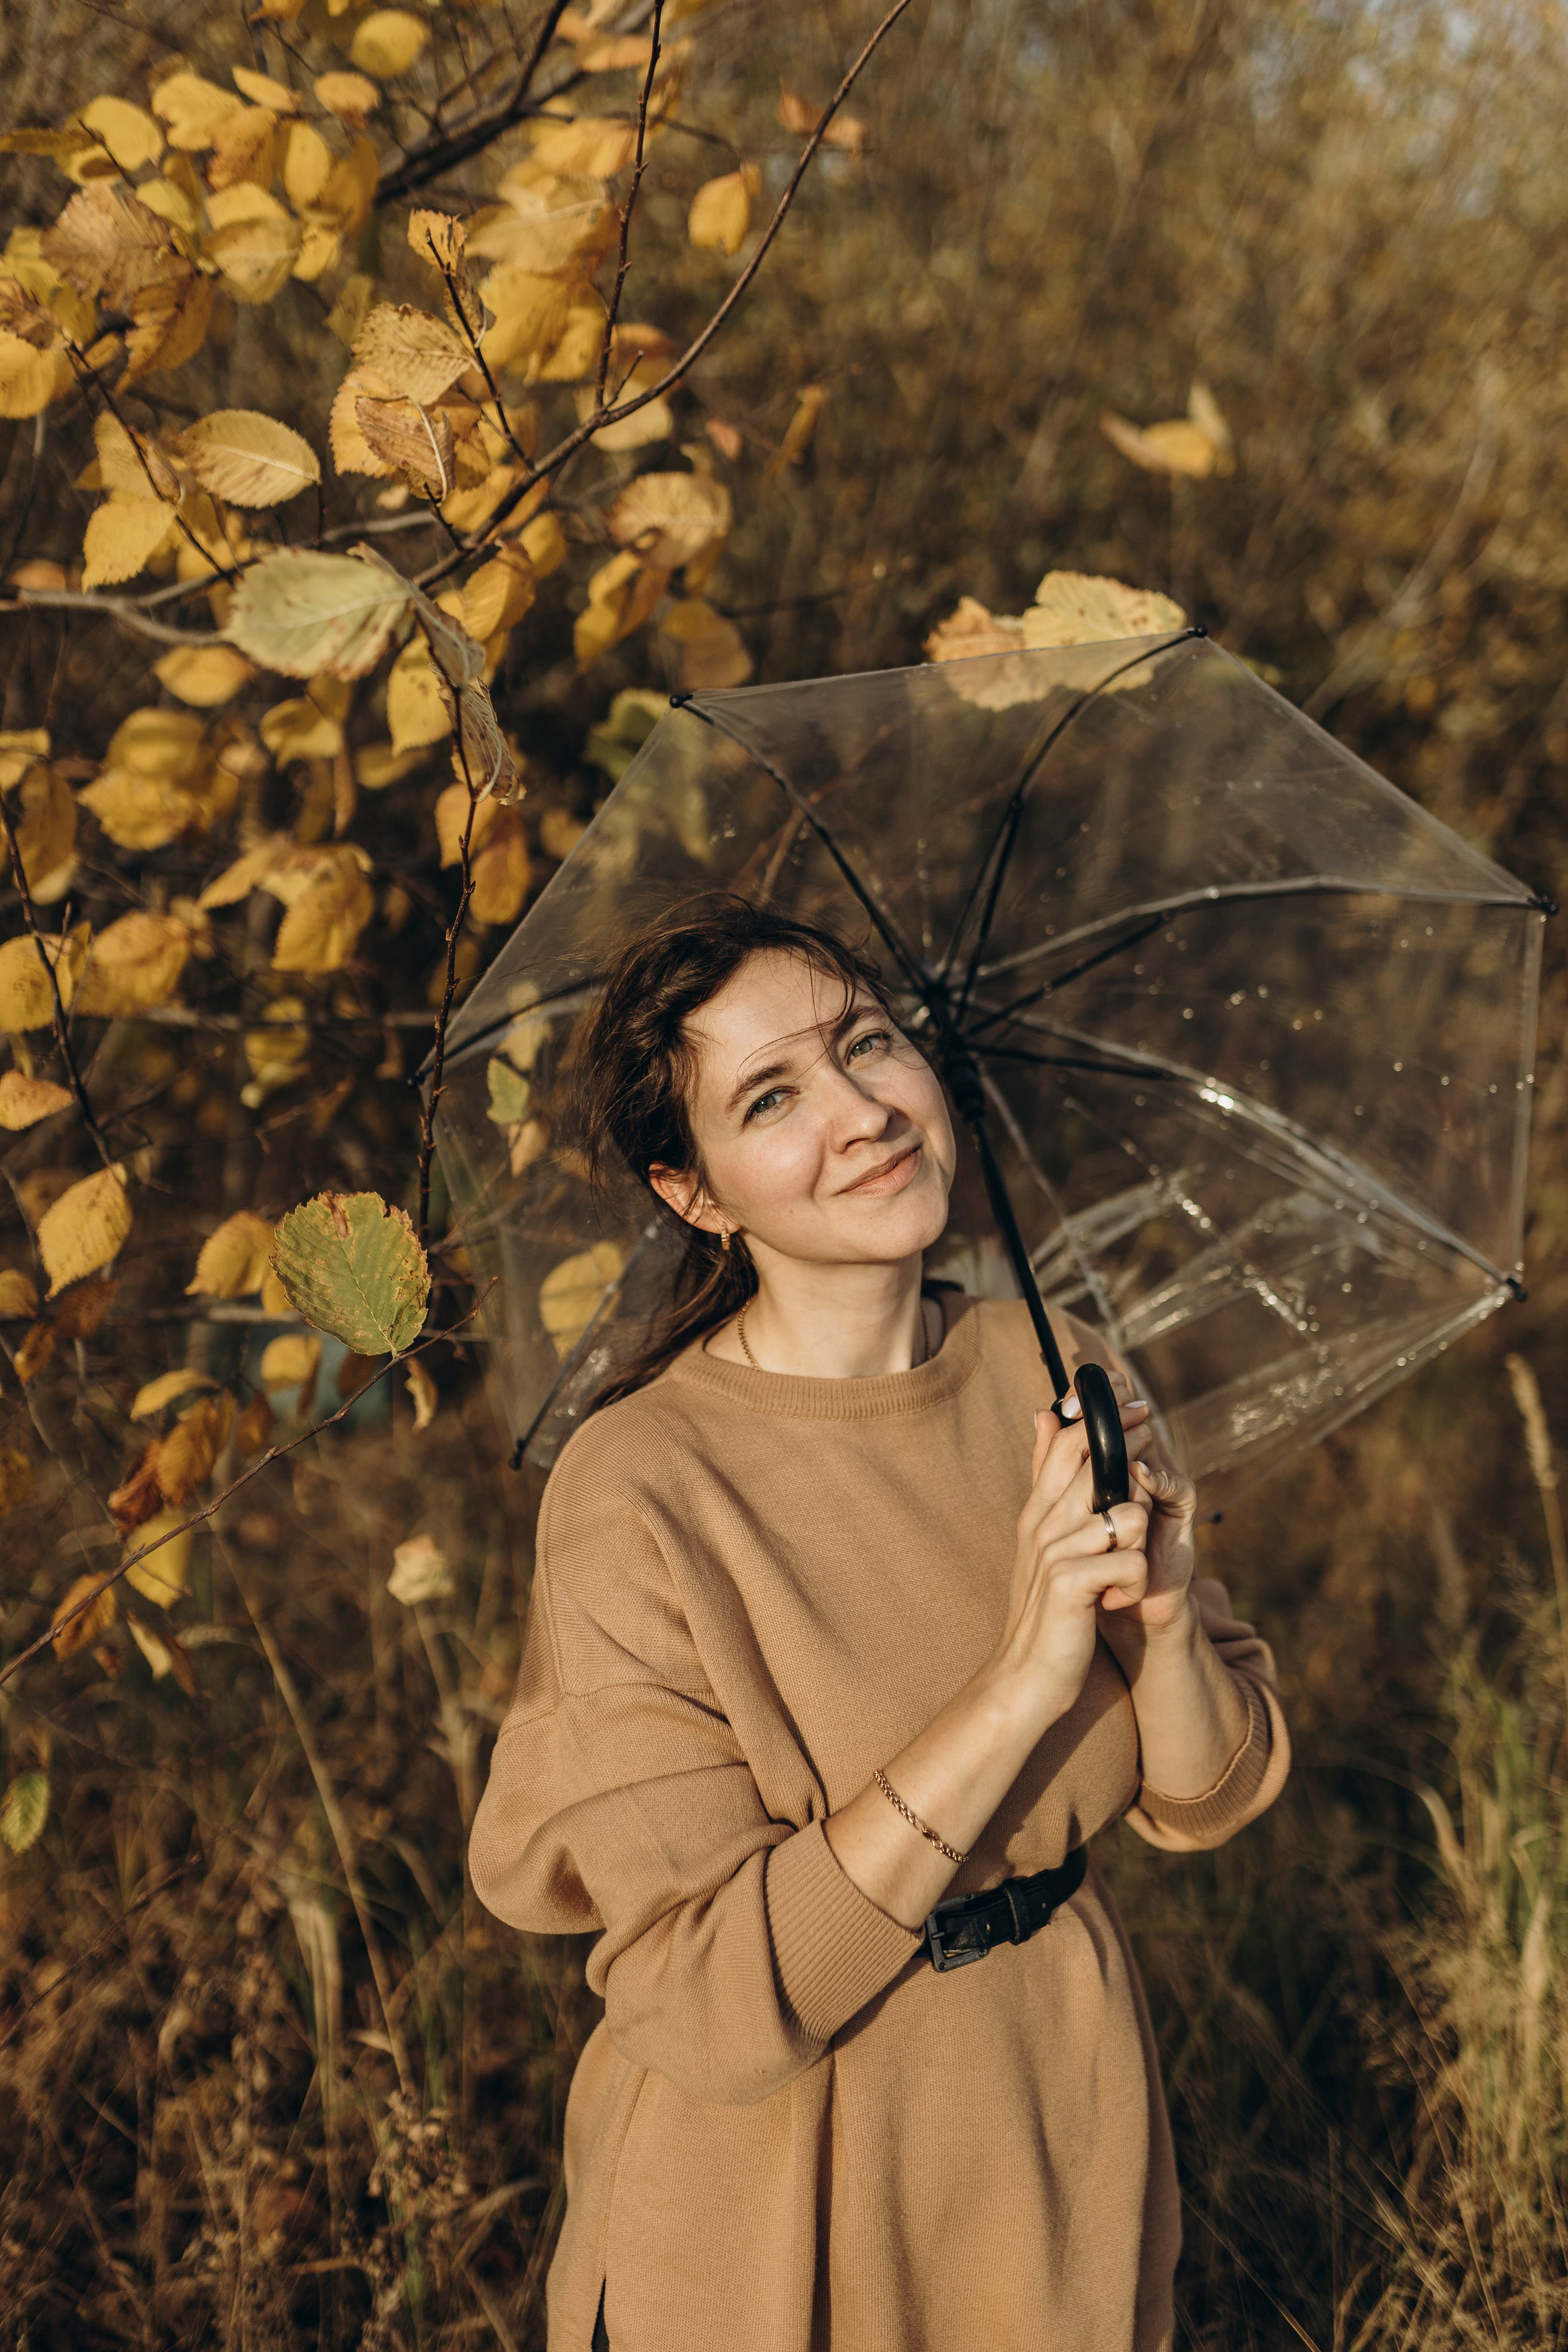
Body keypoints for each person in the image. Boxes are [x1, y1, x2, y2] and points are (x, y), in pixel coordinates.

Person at [469, 897, 1289, 2352]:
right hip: (778, 2199)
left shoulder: (1053, 1365)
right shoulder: (639, 1484)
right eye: (772, 1096)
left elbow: (1203, 1797)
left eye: (867, 1044)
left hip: (1054, 2127)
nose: (860, 1113)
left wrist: (1158, 1617)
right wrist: (1025, 1676)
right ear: (694, 1193)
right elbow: (711, 2000)